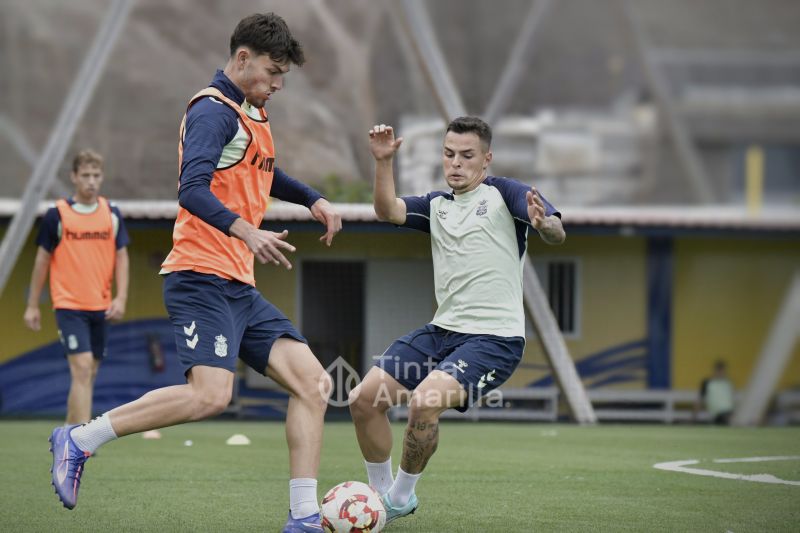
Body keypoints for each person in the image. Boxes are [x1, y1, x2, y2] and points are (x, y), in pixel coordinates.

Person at [48, 13, 341, 532]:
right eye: (272, 72)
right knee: (210, 396)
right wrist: (245, 231)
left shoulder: (252, 113)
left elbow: (267, 174)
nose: (276, 85)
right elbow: (191, 188)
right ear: (243, 58)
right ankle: (79, 440)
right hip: (199, 275)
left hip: (237, 285)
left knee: (314, 384)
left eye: (282, 78)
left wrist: (314, 199)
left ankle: (303, 518)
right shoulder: (213, 110)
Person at [349, 117, 565, 524]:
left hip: (494, 340)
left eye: (467, 155)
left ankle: (399, 498)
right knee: (363, 400)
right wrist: (382, 162)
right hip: (442, 332)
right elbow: (387, 210)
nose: (456, 163)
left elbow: (555, 230)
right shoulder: (436, 205)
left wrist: (544, 224)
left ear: (487, 158)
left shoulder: (505, 194)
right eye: (449, 154)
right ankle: (378, 500)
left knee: (425, 402)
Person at [24, 149, 129, 425]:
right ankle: (83, 439)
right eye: (85, 175)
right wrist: (33, 304)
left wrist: (121, 298)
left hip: (102, 305)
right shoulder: (56, 215)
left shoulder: (112, 213)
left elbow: (122, 257)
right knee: (82, 369)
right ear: (74, 177)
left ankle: (70, 433)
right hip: (69, 305)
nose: (91, 181)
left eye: (96, 175)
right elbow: (41, 261)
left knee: (89, 373)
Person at [696, 359, 735, 425]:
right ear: (715, 371)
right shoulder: (708, 383)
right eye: (719, 371)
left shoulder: (728, 383)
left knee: (729, 416)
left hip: (729, 413)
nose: (721, 373)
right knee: (723, 418)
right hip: (716, 414)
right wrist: (694, 416)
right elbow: (700, 399)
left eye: (723, 371)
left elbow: (730, 401)